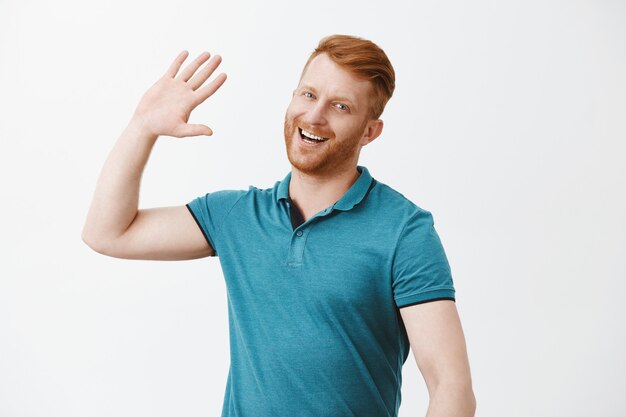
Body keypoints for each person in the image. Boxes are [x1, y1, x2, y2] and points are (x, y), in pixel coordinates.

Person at [82, 34, 476, 417]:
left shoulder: (404, 231)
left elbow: (451, 388)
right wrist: (142, 127)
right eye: (308, 94)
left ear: (370, 131)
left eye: (340, 106)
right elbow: (108, 233)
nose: (314, 115)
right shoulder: (236, 215)